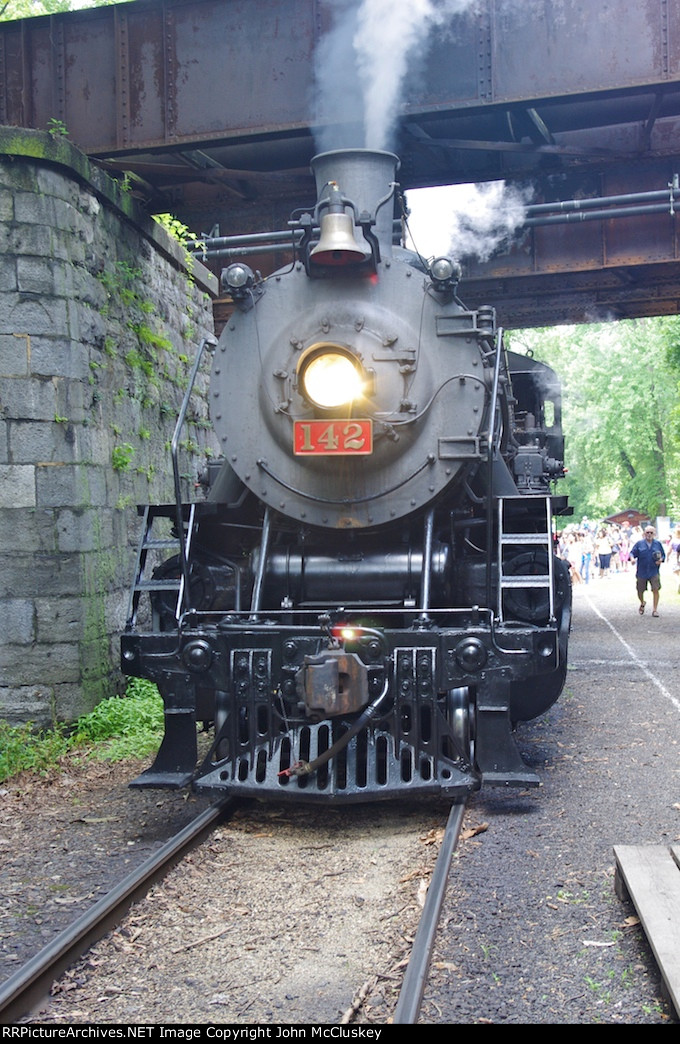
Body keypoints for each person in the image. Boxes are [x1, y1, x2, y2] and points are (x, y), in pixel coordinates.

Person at [629, 524, 666, 617]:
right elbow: (632, 553)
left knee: (655, 589)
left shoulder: (658, 544)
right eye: (647, 532)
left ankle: (655, 610)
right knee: (640, 590)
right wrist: (632, 559)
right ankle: (642, 602)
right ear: (644, 533)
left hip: (654, 571)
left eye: (651, 533)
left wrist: (661, 560)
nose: (649, 534)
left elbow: (663, 555)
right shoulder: (639, 544)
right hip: (642, 571)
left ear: (654, 534)